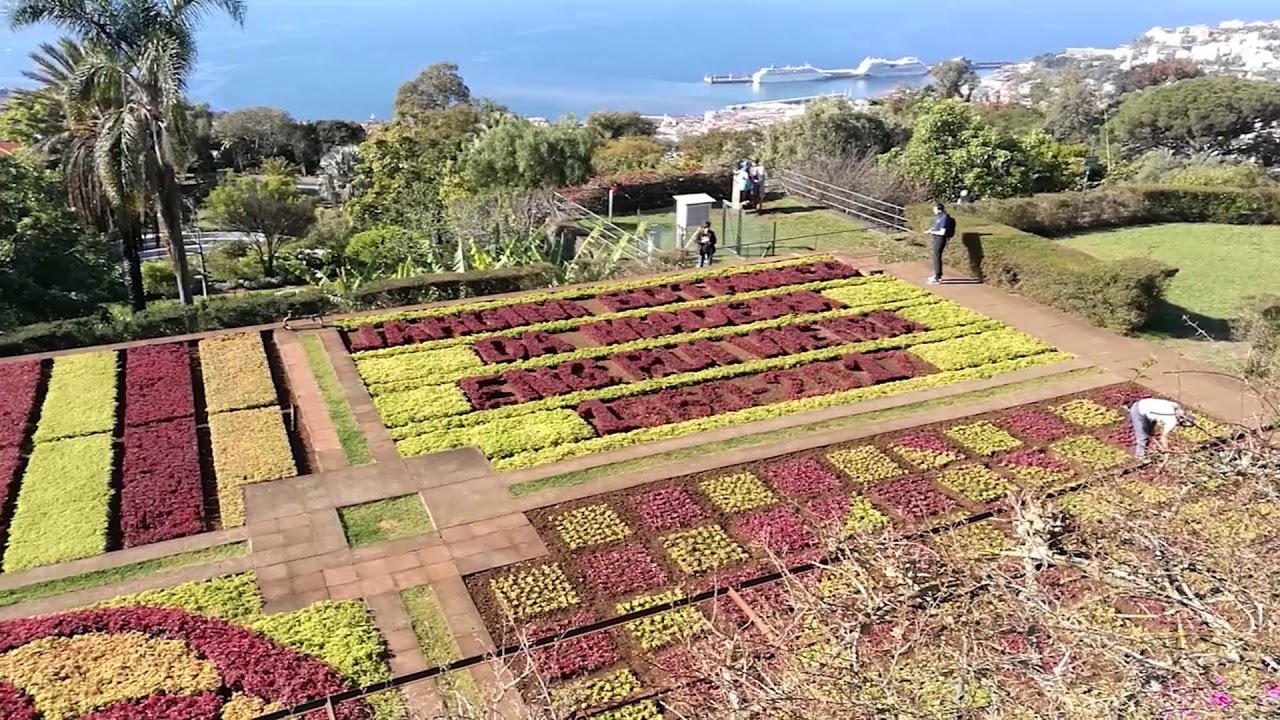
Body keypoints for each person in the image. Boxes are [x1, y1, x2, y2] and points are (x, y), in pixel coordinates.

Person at [1129, 396, 1196, 460]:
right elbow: (1164, 437)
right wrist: (1166, 451)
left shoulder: (1177, 407)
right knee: (1143, 437)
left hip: (1149, 408)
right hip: (1139, 410)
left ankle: (1144, 452)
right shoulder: (1172, 420)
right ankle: (1140, 457)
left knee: (1150, 433)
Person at [926, 203, 956, 285]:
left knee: (937, 257)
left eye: (935, 209)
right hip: (936, 239)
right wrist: (930, 230)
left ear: (939, 210)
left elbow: (942, 232)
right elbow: (936, 227)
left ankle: (937, 277)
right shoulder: (938, 217)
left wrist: (932, 232)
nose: (934, 211)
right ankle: (936, 274)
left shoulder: (944, 218)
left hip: (940, 239)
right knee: (935, 257)